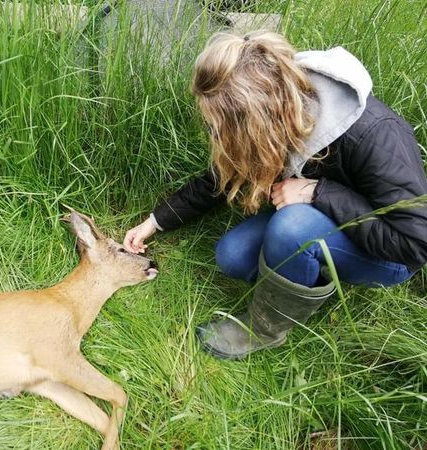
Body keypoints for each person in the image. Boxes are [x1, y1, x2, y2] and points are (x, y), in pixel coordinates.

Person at [122, 31, 427, 360]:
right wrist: (156, 221)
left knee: (292, 228)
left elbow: (414, 244)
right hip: (326, 218)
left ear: (254, 117)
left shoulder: (374, 133)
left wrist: (317, 192)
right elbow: (222, 177)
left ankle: (264, 330)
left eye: (219, 125)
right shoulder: (279, 107)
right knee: (234, 255)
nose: (214, 133)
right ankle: (307, 276)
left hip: (389, 257)